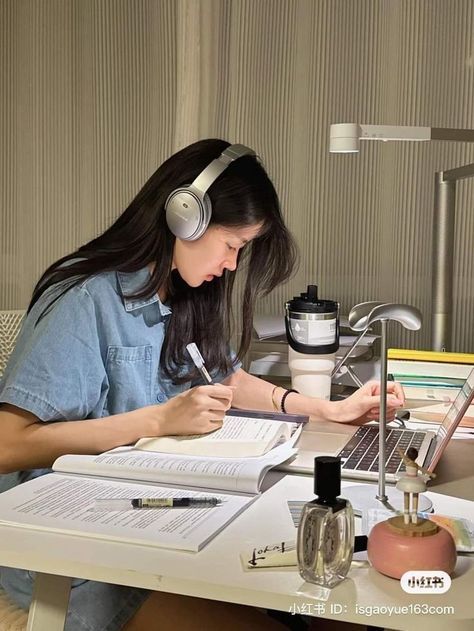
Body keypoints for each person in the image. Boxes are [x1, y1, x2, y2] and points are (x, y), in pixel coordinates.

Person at [0, 139, 404, 630]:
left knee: (343, 608)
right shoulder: (83, 301)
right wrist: (160, 419)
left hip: (156, 517)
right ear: (183, 216)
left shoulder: (183, 292)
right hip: (72, 545)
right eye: (232, 245)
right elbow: (8, 445)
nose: (233, 264)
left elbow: (224, 376)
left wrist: (321, 409)